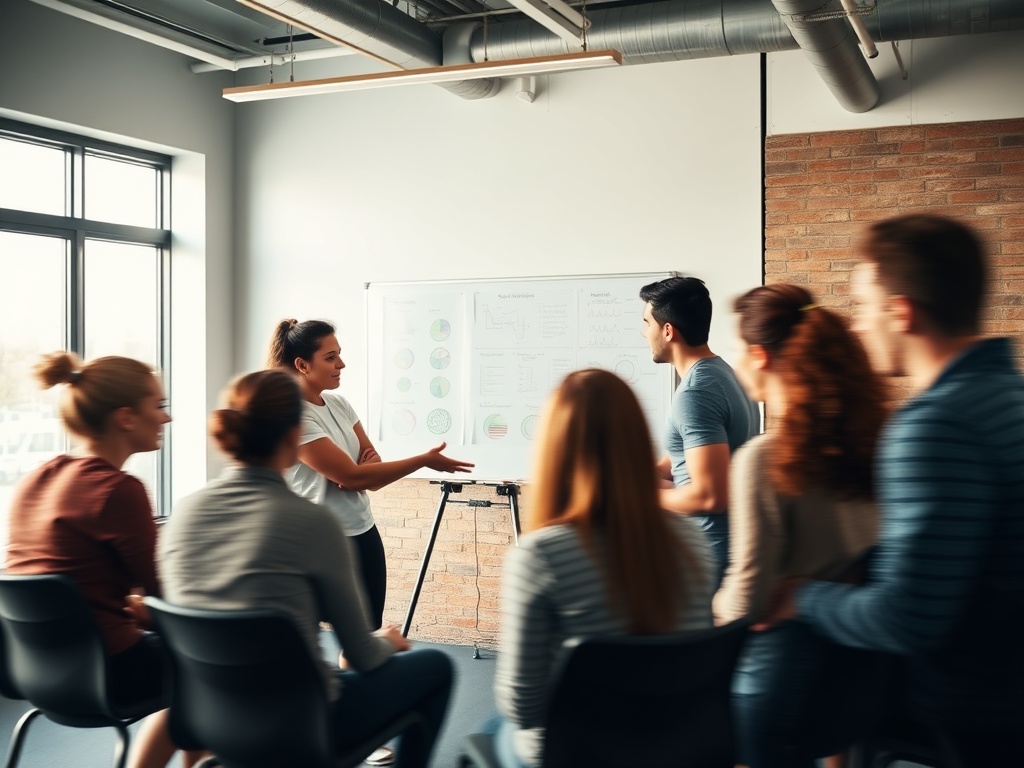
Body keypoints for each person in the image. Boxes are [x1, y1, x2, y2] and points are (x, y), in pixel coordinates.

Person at [761, 214, 1024, 765]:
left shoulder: (933, 426)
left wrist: (799, 596)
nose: (856, 327)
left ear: (901, 312)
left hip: (962, 726)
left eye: (863, 306)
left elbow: (906, 620)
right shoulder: (1005, 394)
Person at [159, 369, 453, 768]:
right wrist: (387, 640)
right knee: (436, 667)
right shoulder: (311, 523)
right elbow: (364, 655)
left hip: (211, 716)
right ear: (295, 434)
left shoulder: (183, 514)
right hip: (303, 724)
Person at [491, 368, 716, 768]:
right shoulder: (693, 540)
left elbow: (523, 707)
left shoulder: (541, 556)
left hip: (578, 754)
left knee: (496, 727)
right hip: (676, 745)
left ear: (554, 451)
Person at [717, 284, 888, 768]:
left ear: (759, 356)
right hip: (857, 676)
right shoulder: (870, 444)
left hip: (778, 685)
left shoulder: (763, 459)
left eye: (739, 349)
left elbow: (748, 601)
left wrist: (714, 607)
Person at [5, 352, 201, 768]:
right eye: (159, 406)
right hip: (109, 674)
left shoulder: (35, 479)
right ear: (126, 417)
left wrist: (136, 607)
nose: (166, 418)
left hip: (32, 673)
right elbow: (172, 600)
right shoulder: (118, 490)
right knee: (215, 666)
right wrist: (148, 611)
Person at [265, 319, 472, 630]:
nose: (341, 364)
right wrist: (422, 460)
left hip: (363, 532)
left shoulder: (340, 404)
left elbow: (370, 472)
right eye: (330, 357)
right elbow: (358, 477)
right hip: (319, 541)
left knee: (368, 633)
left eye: (339, 354)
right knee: (308, 634)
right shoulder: (294, 417)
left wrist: (357, 472)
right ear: (302, 365)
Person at [639, 276, 760, 582]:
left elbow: (710, 497)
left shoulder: (696, 393)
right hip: (723, 549)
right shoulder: (726, 375)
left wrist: (639, 498)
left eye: (647, 323)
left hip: (708, 557)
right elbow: (678, 461)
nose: (644, 333)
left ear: (668, 331)